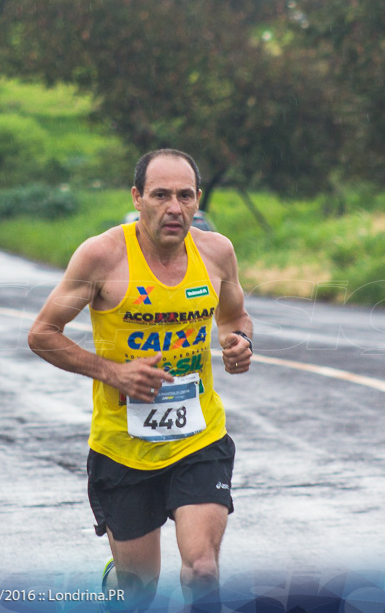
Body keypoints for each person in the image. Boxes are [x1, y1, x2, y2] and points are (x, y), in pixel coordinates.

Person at [28, 149, 253, 612]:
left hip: (199, 438)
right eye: (161, 195)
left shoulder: (216, 252)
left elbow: (235, 317)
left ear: (198, 200)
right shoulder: (102, 256)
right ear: (137, 198)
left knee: (204, 569)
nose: (175, 208)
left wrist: (239, 344)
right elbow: (42, 334)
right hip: (123, 447)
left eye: (185, 196)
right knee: (138, 591)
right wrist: (114, 372)